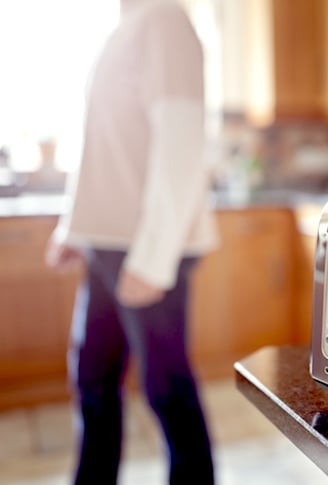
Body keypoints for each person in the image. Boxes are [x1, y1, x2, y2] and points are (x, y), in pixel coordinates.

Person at [45, 0, 219, 483]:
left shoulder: (165, 22)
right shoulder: (123, 30)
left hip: (145, 249)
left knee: (166, 388)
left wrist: (154, 260)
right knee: (93, 379)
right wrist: (75, 229)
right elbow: (103, 143)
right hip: (108, 244)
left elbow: (181, 145)